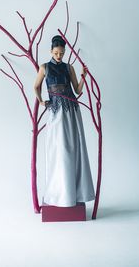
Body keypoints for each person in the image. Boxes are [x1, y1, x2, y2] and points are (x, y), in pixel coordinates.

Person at [34, 35, 95, 207]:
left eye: (61, 53)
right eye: (56, 53)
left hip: (71, 110)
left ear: (65, 52)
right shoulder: (44, 67)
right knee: (59, 149)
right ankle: (59, 193)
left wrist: (84, 77)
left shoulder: (69, 68)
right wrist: (40, 101)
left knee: (73, 148)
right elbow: (35, 86)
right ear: (50, 51)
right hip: (56, 111)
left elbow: (76, 90)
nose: (59, 56)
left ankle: (74, 192)